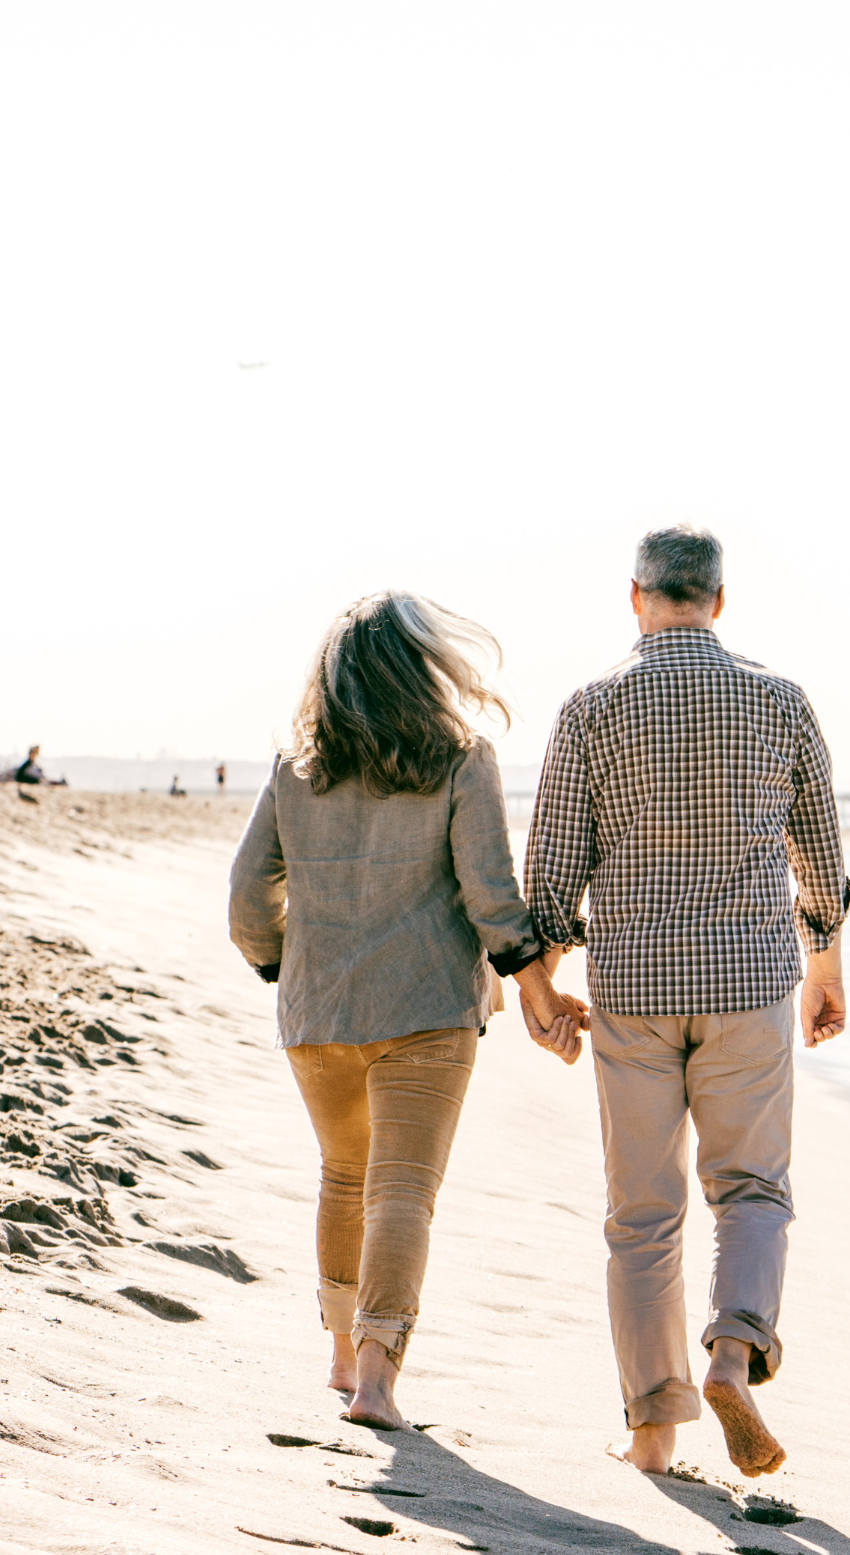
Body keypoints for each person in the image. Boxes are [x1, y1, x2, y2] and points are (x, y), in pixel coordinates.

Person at [524, 525, 850, 1480]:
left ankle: (653, 1437)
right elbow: (821, 861)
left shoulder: (591, 709)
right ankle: (731, 1354)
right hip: (749, 984)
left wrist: (538, 986)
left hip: (633, 990)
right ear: (719, 599)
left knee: (642, 1212)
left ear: (636, 597)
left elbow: (551, 874)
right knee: (750, 1189)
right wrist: (825, 969)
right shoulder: (779, 701)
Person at [229, 591, 587, 1431]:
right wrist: (537, 993)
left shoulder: (297, 765)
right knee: (402, 1194)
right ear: (424, 666)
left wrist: (284, 965)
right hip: (426, 1010)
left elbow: (249, 897)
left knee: (344, 1176)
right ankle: (379, 1383)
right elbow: (493, 899)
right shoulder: (461, 758)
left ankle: (343, 1355)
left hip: (318, 1013)